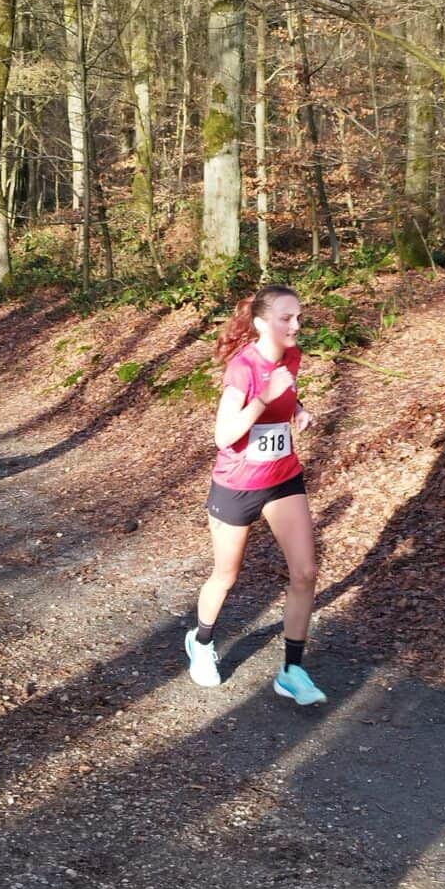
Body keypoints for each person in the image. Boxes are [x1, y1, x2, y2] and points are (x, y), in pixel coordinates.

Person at [184, 285, 326, 705]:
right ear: (263, 323)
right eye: (286, 318)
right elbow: (224, 435)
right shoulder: (242, 369)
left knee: (305, 572)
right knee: (226, 575)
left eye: (299, 317)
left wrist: (297, 409)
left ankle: (292, 671)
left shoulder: (292, 357)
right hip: (237, 485)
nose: (296, 325)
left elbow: (286, 394)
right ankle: (201, 642)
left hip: (282, 478)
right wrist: (264, 397)